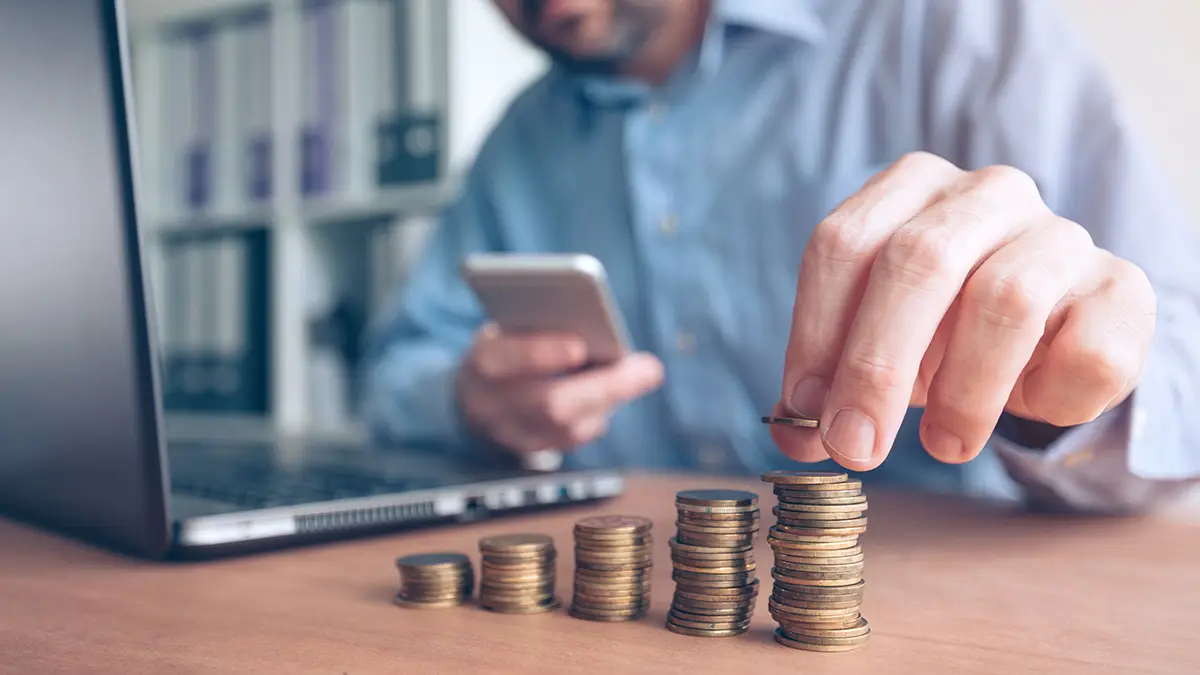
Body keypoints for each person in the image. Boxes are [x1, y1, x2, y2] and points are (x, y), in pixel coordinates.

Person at [362, 0, 1200, 514]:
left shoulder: (950, 23)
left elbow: (1182, 379)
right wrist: (466, 400)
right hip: (625, 623)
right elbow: (394, 369)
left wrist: (1063, 394)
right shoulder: (519, 139)